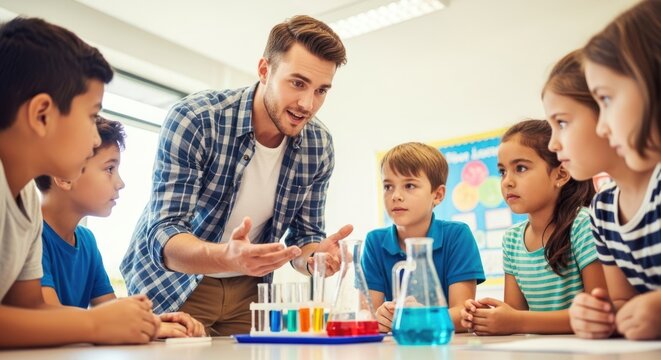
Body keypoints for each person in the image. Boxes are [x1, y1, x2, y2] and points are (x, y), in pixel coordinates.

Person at [120, 15, 352, 336]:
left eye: (321, 90)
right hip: (175, 285)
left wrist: (314, 260)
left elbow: (304, 239)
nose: (307, 104)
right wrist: (228, 258)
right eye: (297, 83)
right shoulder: (197, 119)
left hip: (250, 294)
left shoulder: (319, 145)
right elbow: (164, 234)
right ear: (264, 70)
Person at [0, 17, 158, 348]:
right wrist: (93, 324)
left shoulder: (26, 200)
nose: (92, 138)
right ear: (42, 115)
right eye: (90, 116)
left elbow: (28, 309)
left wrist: (134, 323)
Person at [35, 117, 205, 339]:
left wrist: (155, 322)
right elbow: (51, 318)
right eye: (109, 168)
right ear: (64, 176)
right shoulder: (31, 236)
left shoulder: (86, 240)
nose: (120, 182)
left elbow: (109, 310)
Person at [567, 0, 661, 339]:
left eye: (606, 100)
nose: (603, 128)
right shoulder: (603, 209)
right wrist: (598, 315)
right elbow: (622, 301)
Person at [460, 120, 606, 335]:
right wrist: (484, 317)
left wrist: (516, 321)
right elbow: (516, 313)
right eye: (502, 172)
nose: (507, 181)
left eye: (520, 168)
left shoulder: (584, 225)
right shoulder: (512, 239)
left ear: (560, 174)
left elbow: (599, 314)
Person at [362, 142, 485, 333]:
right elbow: (366, 316)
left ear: (437, 195)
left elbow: (464, 315)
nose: (395, 196)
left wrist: (419, 319)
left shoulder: (457, 235)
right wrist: (379, 317)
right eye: (388, 186)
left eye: (409, 185)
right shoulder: (374, 242)